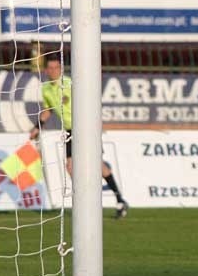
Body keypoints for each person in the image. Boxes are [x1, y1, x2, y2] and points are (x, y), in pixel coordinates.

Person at [29, 54, 130, 219]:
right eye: (51, 68)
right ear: (46, 70)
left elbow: (88, 101)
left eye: (56, 68)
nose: (54, 71)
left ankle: (119, 200)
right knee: (70, 167)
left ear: (61, 69)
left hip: (86, 128)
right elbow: (47, 111)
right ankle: (86, 200)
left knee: (98, 166)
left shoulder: (70, 84)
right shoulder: (46, 88)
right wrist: (37, 127)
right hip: (70, 130)